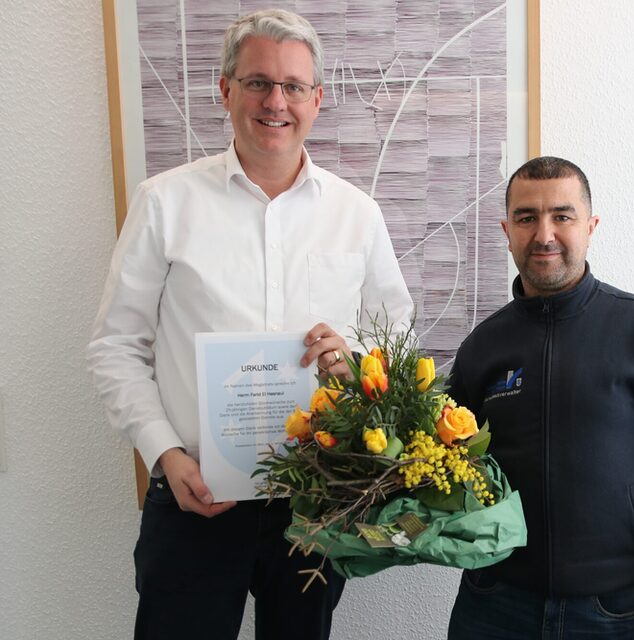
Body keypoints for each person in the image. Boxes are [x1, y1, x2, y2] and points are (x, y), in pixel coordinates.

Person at [86, 9, 413, 639]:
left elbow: (395, 340)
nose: (276, 101)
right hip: (194, 495)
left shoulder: (357, 215)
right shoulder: (165, 203)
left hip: (318, 501)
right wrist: (164, 453)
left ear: (316, 99)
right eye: (259, 81)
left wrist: (359, 365)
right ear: (225, 89)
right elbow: (116, 346)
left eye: (293, 86)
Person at [445, 157, 634, 640]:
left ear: (591, 227)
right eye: (527, 218)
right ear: (506, 230)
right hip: (495, 601)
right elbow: (438, 461)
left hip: (614, 607)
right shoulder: (482, 346)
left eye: (563, 216)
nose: (544, 234)